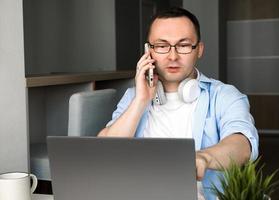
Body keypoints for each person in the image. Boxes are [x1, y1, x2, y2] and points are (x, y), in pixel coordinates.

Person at [98, 7, 258, 200]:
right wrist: (141, 100)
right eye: (162, 46)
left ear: (199, 50)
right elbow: (104, 152)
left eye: (183, 45)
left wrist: (203, 158)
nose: (172, 56)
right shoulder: (134, 96)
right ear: (149, 51)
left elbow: (242, 145)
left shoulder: (224, 96)